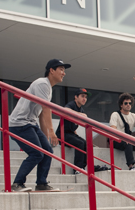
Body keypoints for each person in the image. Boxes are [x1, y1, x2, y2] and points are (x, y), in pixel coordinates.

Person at [8, 59, 68, 192]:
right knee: (36, 153)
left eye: (64, 70)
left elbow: (41, 114)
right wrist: (52, 132)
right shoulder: (42, 83)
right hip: (19, 123)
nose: (64, 73)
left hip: (30, 123)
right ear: (51, 70)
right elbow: (46, 108)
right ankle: (17, 183)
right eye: (61, 70)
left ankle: (41, 183)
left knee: (47, 151)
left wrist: (45, 137)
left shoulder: (48, 87)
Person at [109, 93, 135, 171]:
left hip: (128, 140)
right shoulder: (115, 114)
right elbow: (113, 129)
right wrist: (123, 138)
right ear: (121, 105)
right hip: (117, 140)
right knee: (128, 142)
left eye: (130, 103)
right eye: (126, 103)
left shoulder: (133, 115)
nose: (128, 105)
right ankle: (131, 166)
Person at [55, 88, 89, 174]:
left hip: (70, 134)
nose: (84, 99)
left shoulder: (80, 109)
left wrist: (76, 135)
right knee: (80, 143)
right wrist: (80, 115)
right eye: (82, 96)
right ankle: (77, 168)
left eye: (85, 97)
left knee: (86, 143)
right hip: (62, 134)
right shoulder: (72, 104)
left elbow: (73, 126)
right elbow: (65, 110)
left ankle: (83, 167)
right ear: (76, 97)